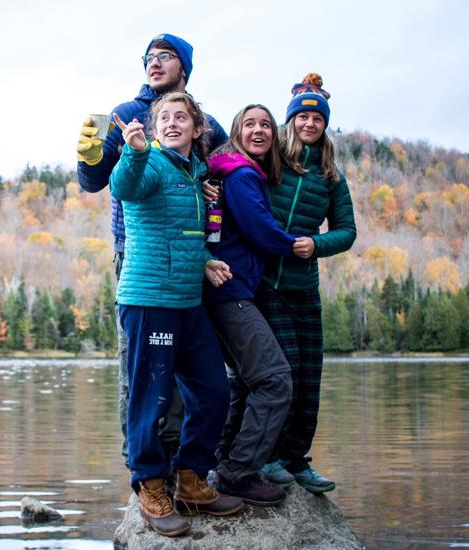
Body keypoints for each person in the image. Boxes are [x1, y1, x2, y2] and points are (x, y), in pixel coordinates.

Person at [76, 33, 227, 467]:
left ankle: (182, 459)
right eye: (149, 57)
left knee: (187, 368)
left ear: (184, 67)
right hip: (136, 253)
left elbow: (222, 174)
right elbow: (95, 182)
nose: (155, 62)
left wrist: (215, 187)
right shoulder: (124, 115)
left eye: (166, 56)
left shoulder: (206, 121)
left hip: (192, 253)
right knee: (141, 368)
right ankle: (140, 463)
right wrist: (88, 157)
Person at [110, 92, 243, 537]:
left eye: (180, 117)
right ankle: (150, 486)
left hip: (188, 302)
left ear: (196, 128)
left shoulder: (195, 175)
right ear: (154, 128)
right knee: (152, 397)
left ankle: (190, 479)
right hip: (150, 301)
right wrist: (132, 150)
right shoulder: (147, 163)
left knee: (213, 390)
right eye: (163, 117)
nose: (171, 122)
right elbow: (124, 188)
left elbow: (186, 232)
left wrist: (204, 259)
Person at [257, 73, 357, 493]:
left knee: (310, 378)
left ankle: (298, 461)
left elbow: (347, 231)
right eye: (303, 117)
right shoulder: (273, 159)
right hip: (266, 283)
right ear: (292, 121)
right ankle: (269, 457)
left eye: (317, 119)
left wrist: (315, 244)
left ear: (324, 125)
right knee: (285, 372)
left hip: (304, 286)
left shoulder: (332, 176)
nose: (309, 124)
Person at [202, 105, 298, 506]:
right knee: (274, 380)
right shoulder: (240, 174)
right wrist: (298, 246)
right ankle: (238, 473)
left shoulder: (229, 172)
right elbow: (260, 229)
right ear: (237, 131)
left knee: (246, 379)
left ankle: (225, 461)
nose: (258, 130)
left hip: (224, 290)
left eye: (266, 125)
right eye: (250, 124)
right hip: (229, 291)